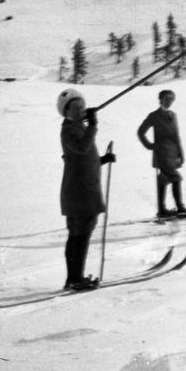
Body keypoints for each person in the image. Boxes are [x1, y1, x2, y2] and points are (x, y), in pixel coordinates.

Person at [56, 88, 114, 290]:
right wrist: (94, 125)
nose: (82, 110)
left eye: (83, 107)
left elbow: (84, 158)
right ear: (66, 112)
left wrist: (103, 160)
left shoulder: (77, 127)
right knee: (81, 235)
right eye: (77, 108)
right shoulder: (70, 129)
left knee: (76, 235)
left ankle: (73, 278)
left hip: (81, 189)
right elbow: (81, 147)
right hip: (81, 192)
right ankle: (76, 279)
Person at [137, 89, 186, 219]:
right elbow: (141, 131)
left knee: (164, 178)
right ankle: (180, 207)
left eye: (171, 99)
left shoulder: (173, 115)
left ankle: (162, 209)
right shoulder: (154, 115)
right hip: (162, 153)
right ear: (161, 100)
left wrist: (180, 154)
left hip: (172, 153)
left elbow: (176, 136)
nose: (169, 101)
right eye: (166, 99)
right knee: (176, 177)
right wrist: (150, 146)